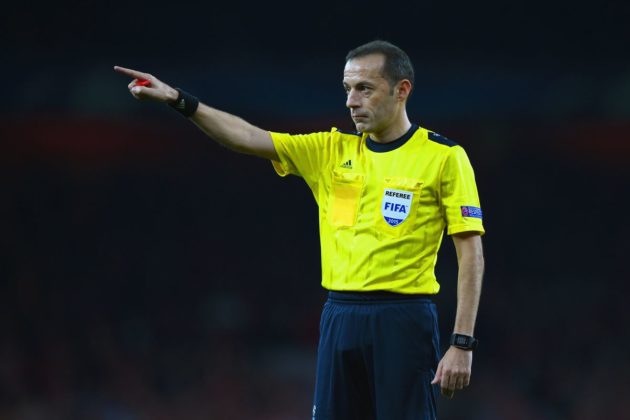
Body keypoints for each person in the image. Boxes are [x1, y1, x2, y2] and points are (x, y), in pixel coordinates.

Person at [115, 39, 485, 420]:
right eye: (347, 89)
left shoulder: (444, 157)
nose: (351, 101)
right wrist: (179, 100)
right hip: (340, 315)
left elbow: (471, 251)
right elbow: (247, 136)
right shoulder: (329, 150)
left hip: (403, 319)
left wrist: (462, 342)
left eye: (364, 89)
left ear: (401, 89)